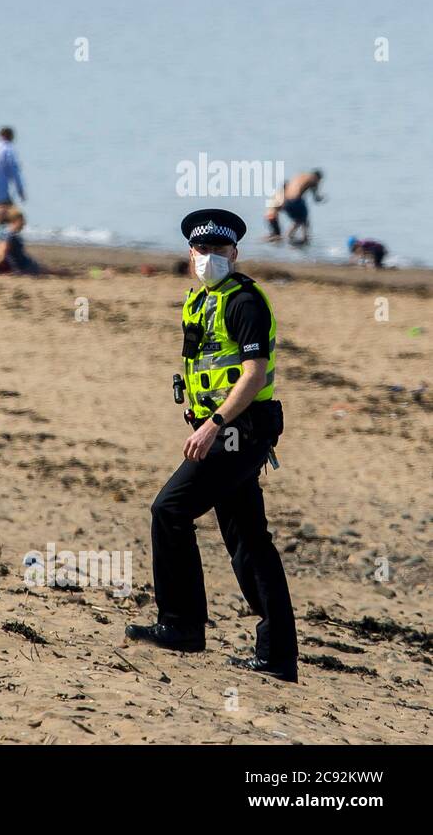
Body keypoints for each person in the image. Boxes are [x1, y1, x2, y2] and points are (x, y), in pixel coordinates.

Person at [126, 209, 298, 682]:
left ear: (235, 253)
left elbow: (254, 374)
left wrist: (214, 424)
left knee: (170, 510)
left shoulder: (243, 301)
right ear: (191, 253)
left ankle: (181, 626)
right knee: (247, 538)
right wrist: (199, 415)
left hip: (241, 429)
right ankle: (278, 655)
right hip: (223, 427)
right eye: (202, 250)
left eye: (219, 251)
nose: (209, 258)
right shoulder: (199, 301)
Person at [279, 170, 324, 246]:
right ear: (318, 177)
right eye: (320, 180)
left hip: (286, 201)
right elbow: (316, 198)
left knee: (298, 221)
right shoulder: (313, 179)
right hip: (296, 200)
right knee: (305, 221)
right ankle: (305, 240)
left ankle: (287, 238)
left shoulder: (300, 175)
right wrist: (321, 198)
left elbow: (285, 186)